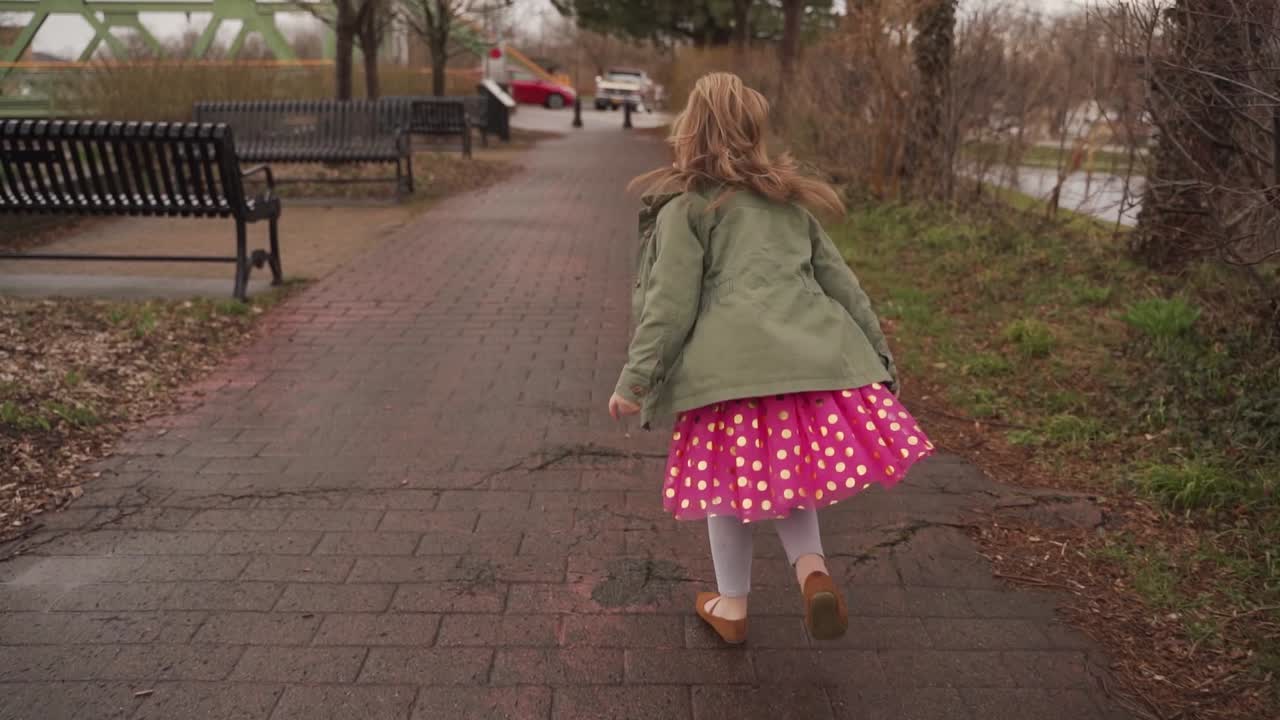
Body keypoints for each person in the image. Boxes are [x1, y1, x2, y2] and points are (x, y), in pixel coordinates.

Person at [607, 72, 935, 644]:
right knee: (789, 478)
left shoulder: (688, 210)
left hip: (724, 380)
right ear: (755, 134)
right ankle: (812, 572)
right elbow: (844, 285)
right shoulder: (789, 207)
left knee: (725, 492)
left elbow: (670, 305)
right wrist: (879, 357)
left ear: (689, 133)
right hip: (804, 366)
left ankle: (732, 606)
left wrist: (635, 381)